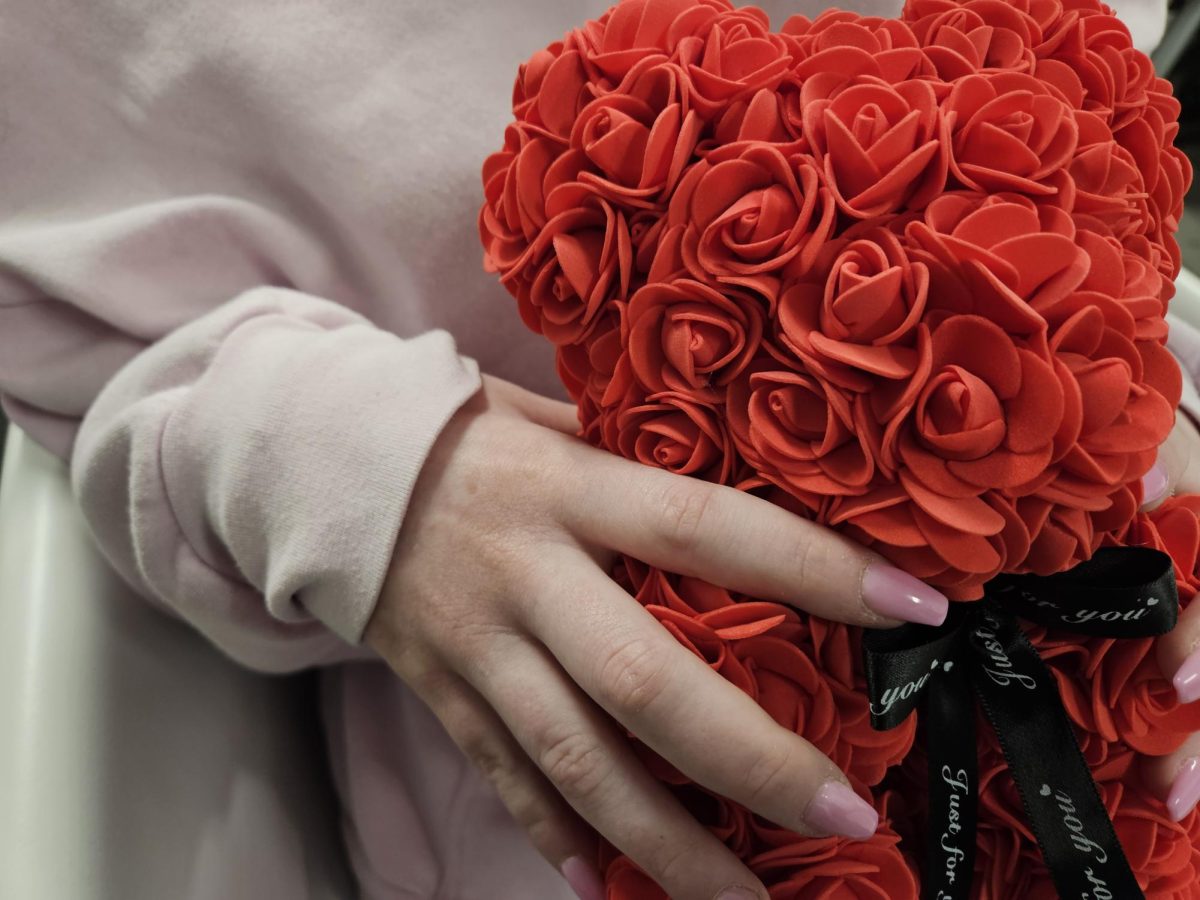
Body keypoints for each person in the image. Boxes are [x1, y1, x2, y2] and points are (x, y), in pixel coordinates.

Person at [0, 0, 1194, 898]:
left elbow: (1089, 121)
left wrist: (1148, 384)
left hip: (1104, 582)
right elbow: (90, 377)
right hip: (538, 706)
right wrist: (368, 470)